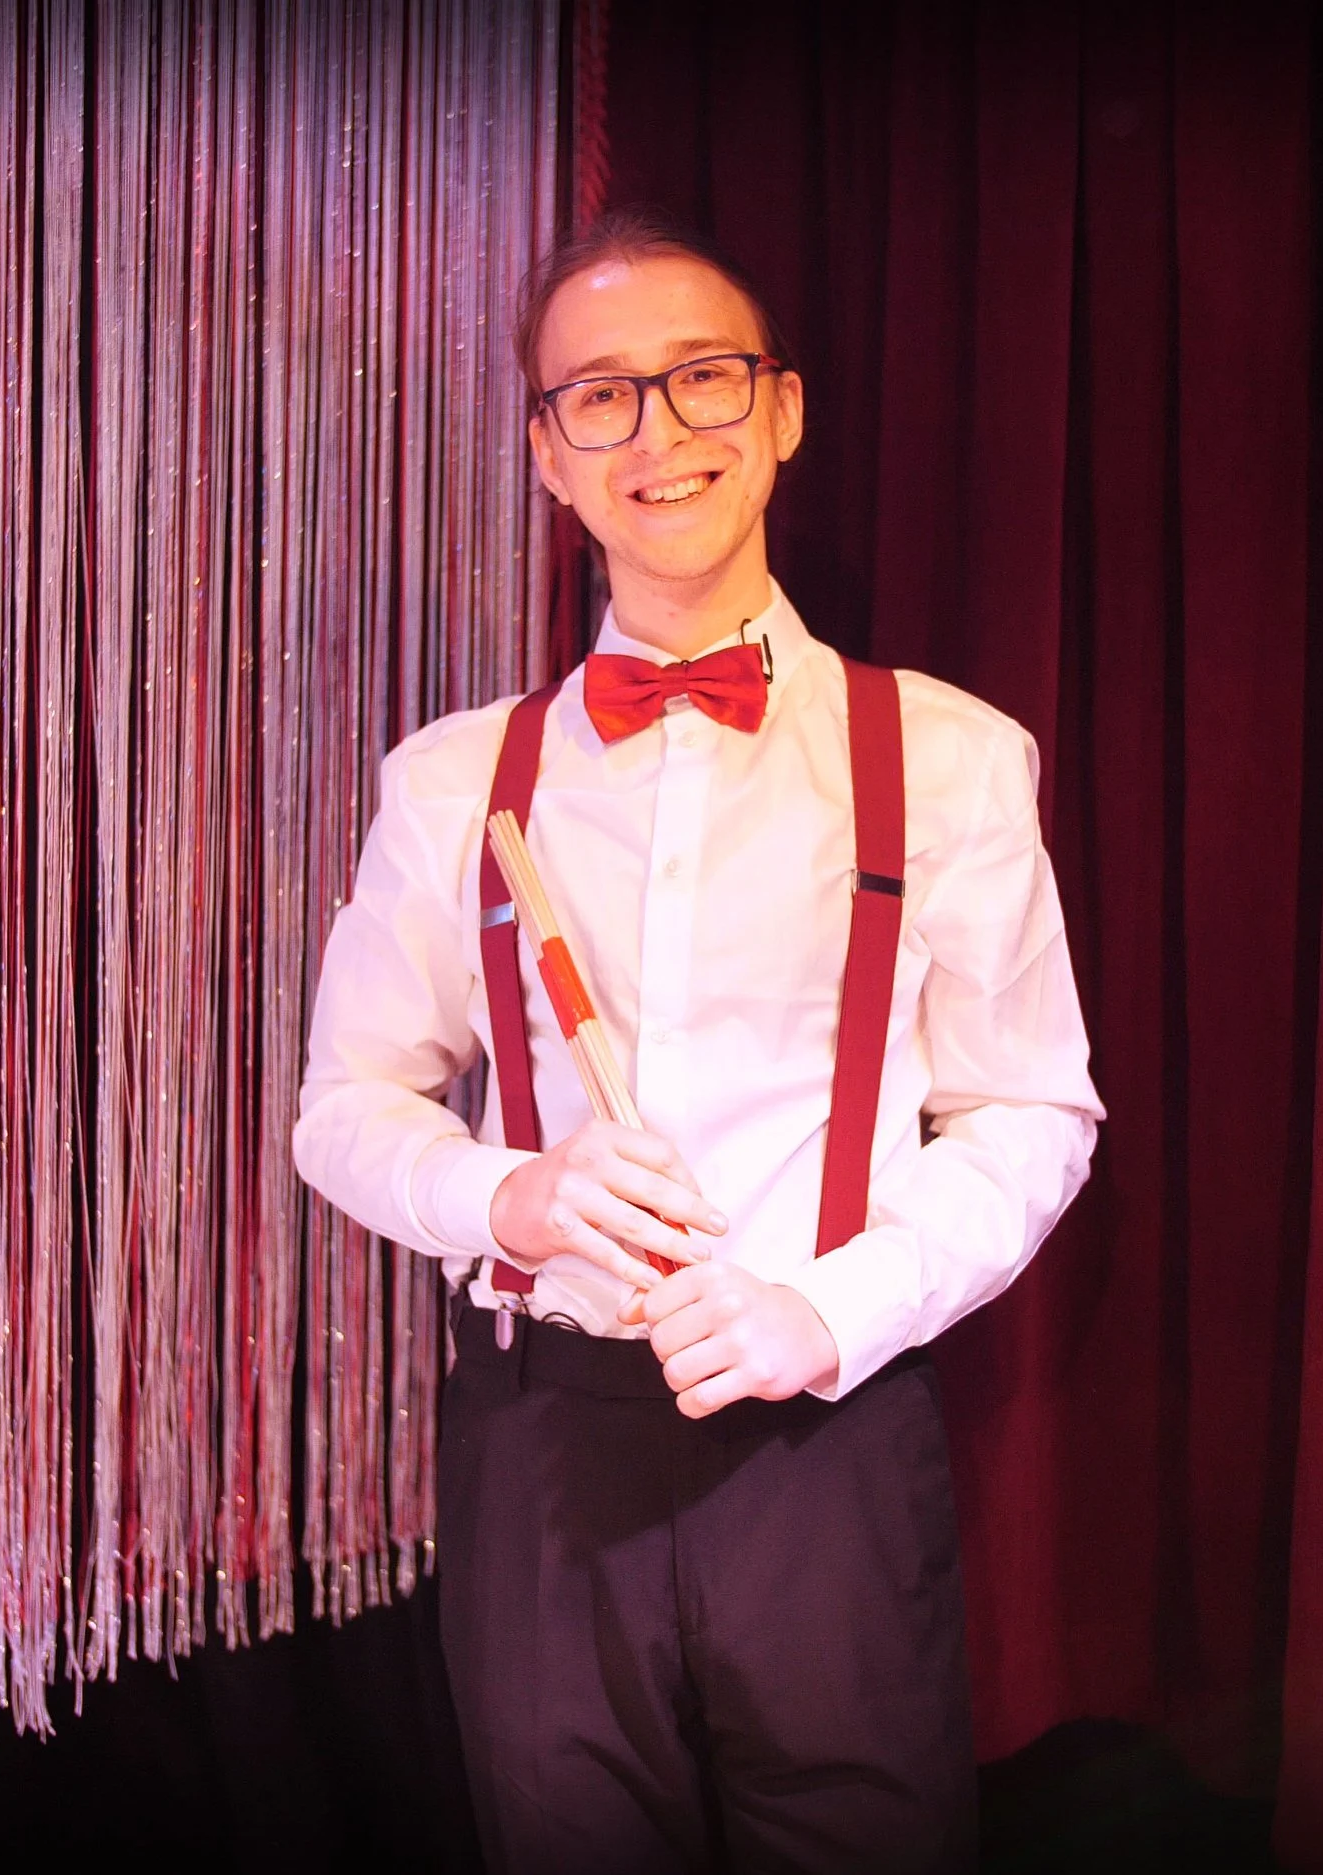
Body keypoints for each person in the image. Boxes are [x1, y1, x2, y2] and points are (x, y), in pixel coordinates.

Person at [291, 207, 1101, 1875]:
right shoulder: (453, 782)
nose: (658, 431)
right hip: (545, 1448)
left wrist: (828, 1306)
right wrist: (506, 1197)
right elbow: (344, 1105)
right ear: (548, 453)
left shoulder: (947, 759)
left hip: (832, 1445)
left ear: (783, 411)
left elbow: (1035, 1111)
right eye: (602, 396)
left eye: (703, 380)